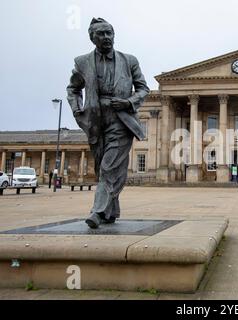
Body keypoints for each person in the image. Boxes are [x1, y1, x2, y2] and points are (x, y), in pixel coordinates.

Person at [67, 18, 150, 228]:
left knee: (108, 167)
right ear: (92, 38)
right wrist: (77, 108)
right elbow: (73, 88)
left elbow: (143, 89)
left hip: (121, 120)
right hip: (96, 120)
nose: (106, 37)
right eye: (101, 34)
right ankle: (111, 211)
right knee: (105, 167)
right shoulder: (82, 62)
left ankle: (97, 212)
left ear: (114, 35)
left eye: (109, 33)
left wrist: (129, 102)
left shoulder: (129, 60)